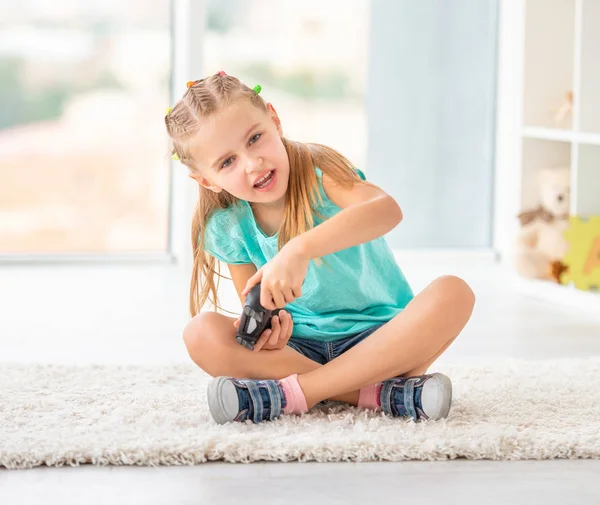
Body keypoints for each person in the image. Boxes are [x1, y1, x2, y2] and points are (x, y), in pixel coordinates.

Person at [165, 71, 475, 425]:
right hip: (300, 350)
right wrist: (272, 329)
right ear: (206, 180)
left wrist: (299, 250)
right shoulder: (226, 225)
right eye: (227, 162)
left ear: (275, 120)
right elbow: (256, 305)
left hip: (381, 342)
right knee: (201, 333)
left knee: (455, 293)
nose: (253, 163)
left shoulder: (320, 171)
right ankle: (380, 395)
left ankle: (297, 394)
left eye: (254, 138)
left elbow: (387, 210)